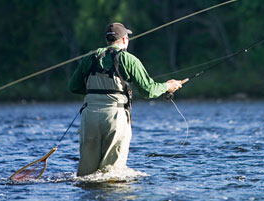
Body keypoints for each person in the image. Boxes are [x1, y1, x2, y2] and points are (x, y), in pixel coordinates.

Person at [68, 22, 184, 176]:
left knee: (86, 174)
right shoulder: (129, 60)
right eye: (127, 37)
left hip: (89, 116)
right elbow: (148, 91)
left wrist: (97, 93)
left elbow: (73, 87)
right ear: (124, 40)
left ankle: (89, 198)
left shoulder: (90, 57)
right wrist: (167, 86)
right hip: (115, 116)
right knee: (112, 173)